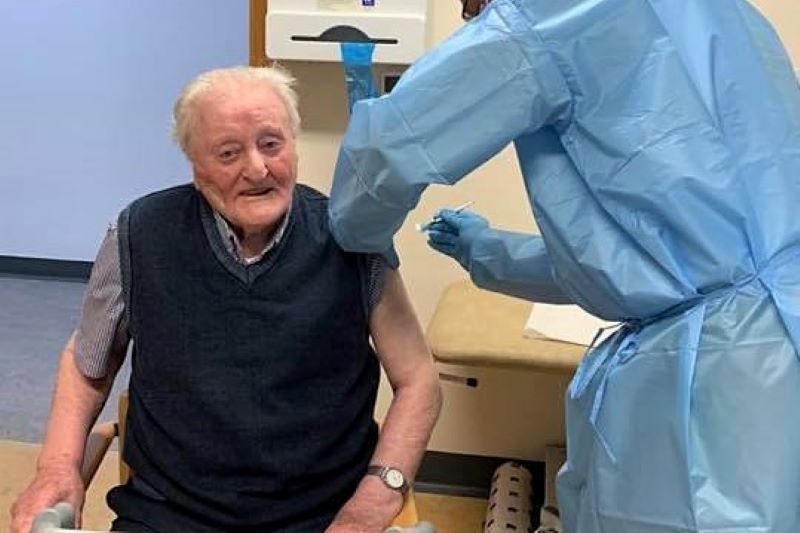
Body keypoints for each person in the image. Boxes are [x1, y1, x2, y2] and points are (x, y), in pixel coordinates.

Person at [327, 0, 800, 532]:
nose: (471, 13)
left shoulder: (544, 14)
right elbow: (652, 259)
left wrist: (352, 231)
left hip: (717, 383)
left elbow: (390, 147)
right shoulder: (720, 14)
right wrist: (487, 250)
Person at [11, 66, 442, 533]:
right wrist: (57, 467)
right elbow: (87, 365)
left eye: (272, 144)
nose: (257, 169)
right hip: (170, 515)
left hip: (324, 517)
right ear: (195, 164)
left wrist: (377, 496)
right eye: (228, 152)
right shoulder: (138, 235)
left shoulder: (352, 238)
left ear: (294, 145)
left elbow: (418, 380)